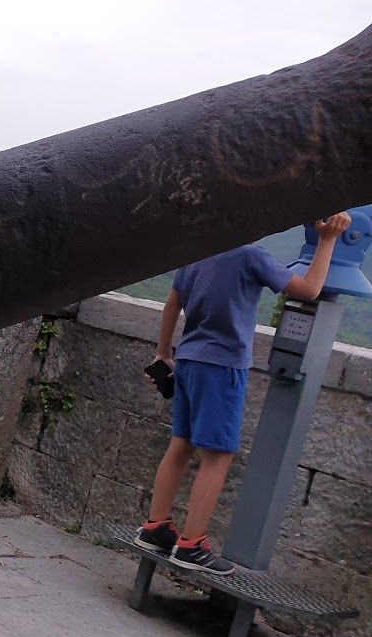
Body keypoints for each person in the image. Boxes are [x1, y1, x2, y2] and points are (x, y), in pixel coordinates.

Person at [136, 213, 353, 573]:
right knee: (217, 455)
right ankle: (191, 545)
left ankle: (156, 527)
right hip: (222, 366)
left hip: (188, 359)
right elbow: (310, 289)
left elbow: (173, 302)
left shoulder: (196, 254)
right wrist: (328, 240)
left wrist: (164, 352)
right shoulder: (250, 256)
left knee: (181, 445)